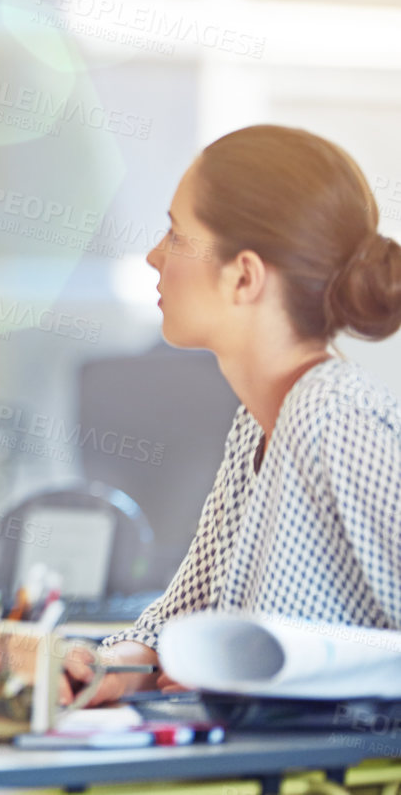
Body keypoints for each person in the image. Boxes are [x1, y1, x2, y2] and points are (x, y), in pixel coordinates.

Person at [66, 124, 401, 706]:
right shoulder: (259, 421)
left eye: (175, 234)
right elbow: (188, 611)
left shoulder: (336, 418)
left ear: (243, 276)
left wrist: (242, 671)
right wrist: (116, 663)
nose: (153, 255)